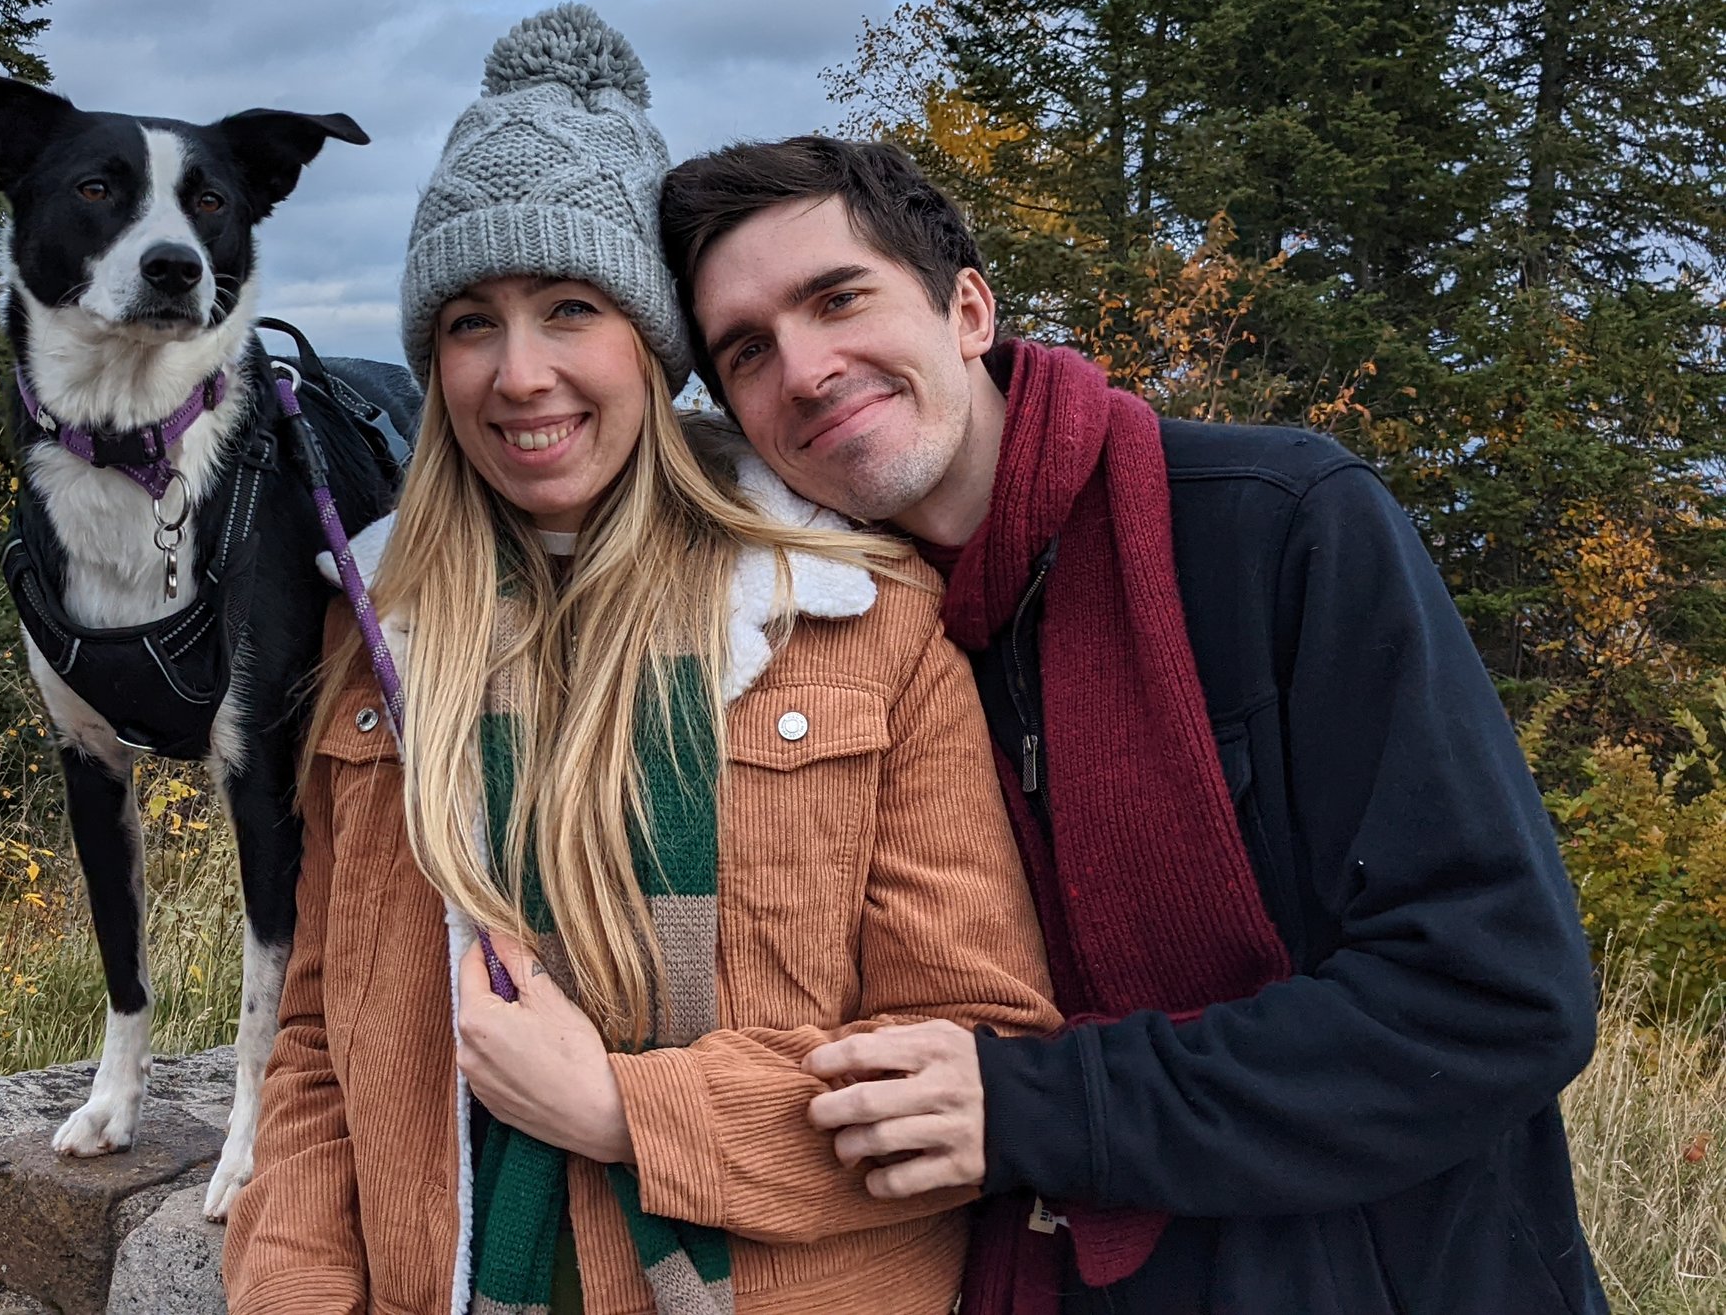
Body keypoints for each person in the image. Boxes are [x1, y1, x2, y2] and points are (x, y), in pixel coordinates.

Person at [657, 134, 1607, 1315]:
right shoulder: (825, 644)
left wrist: (1041, 1109)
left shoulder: (1277, 532)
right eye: (747, 351)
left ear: (965, 309)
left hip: (1384, 1277)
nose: (802, 369)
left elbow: (1497, 993)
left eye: (836, 297)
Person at [223, 8, 1058, 1315]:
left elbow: (970, 1053)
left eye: (571, 308)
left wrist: (629, 1111)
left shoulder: (845, 611)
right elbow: (328, 1054)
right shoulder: (383, 633)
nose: (520, 373)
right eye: (469, 322)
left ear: (654, 343)